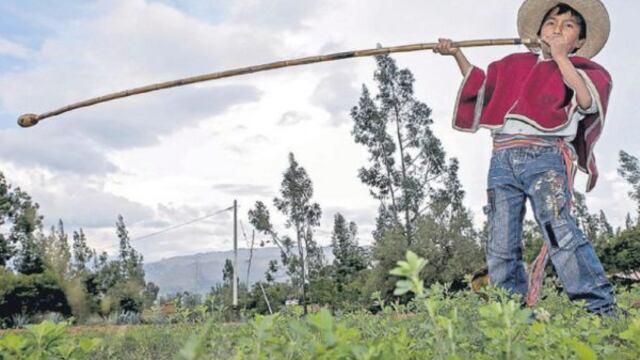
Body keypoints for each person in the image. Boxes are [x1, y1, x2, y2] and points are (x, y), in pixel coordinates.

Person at [434, 0, 619, 316]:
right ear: (538, 32)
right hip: (502, 159)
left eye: (568, 25)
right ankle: (513, 313)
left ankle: (599, 307)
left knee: (559, 230)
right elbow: (482, 86)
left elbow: (587, 101)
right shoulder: (514, 64)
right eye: (551, 23)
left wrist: (561, 57)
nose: (557, 29)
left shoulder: (582, 71)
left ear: (580, 42)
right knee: (501, 241)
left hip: (544, 157)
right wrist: (457, 55)